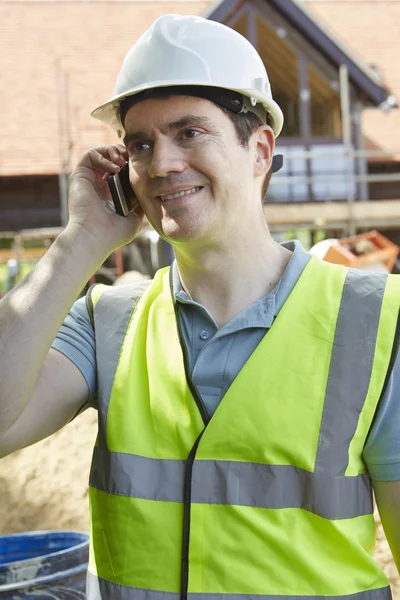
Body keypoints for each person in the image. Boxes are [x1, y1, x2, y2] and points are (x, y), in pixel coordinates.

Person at [0, 13, 399, 600]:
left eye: (190, 133)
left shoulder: (375, 322)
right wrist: (81, 240)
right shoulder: (106, 322)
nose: (162, 164)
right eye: (141, 143)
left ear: (260, 150)